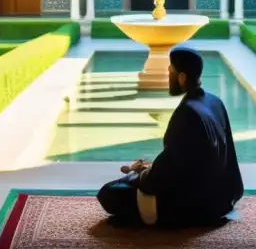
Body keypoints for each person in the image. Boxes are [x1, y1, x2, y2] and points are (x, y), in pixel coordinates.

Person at [97, 47, 244, 227]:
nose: (168, 78)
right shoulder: (214, 101)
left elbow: (164, 174)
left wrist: (140, 174)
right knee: (133, 179)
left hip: (199, 206)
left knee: (109, 192)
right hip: (222, 197)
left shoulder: (187, 113)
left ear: (181, 77)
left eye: (170, 73)